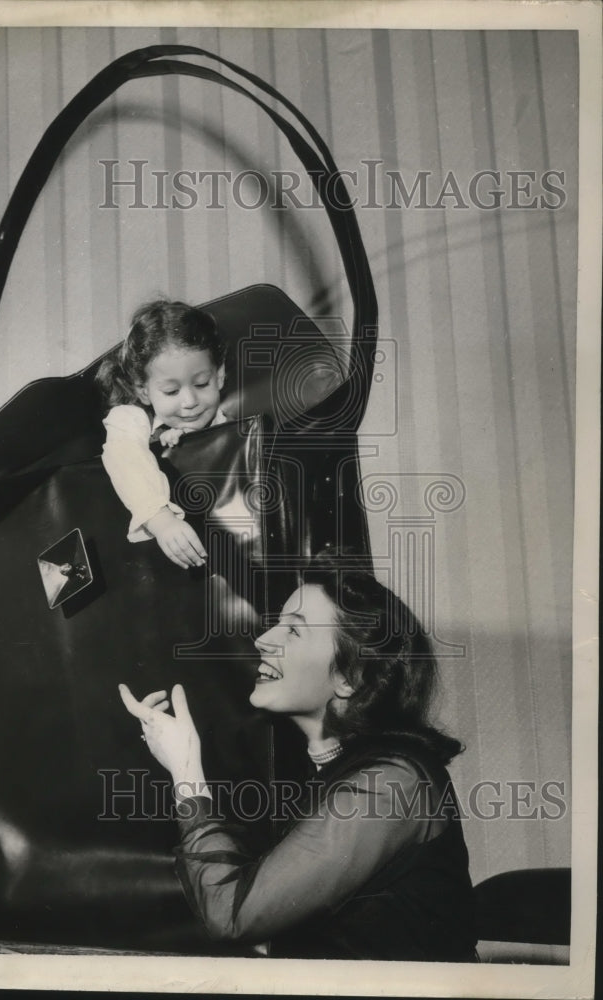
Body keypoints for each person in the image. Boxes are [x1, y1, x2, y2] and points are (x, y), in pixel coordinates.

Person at [119, 556, 478, 961]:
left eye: (293, 629)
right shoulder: (331, 775)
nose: (262, 639)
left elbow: (231, 914)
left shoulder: (392, 783)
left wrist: (185, 769)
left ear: (350, 677)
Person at [96, 299, 228, 569]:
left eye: (202, 383)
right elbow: (123, 453)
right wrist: (160, 519)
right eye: (171, 392)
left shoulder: (230, 423)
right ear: (143, 390)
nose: (190, 400)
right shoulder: (132, 418)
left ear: (220, 376)